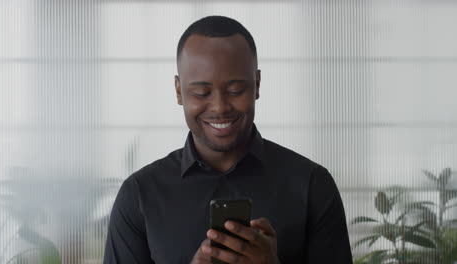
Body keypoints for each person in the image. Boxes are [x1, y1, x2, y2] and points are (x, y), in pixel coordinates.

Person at [103, 15, 353, 264]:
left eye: (235, 90)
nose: (219, 107)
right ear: (179, 91)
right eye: (202, 92)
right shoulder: (139, 195)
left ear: (257, 84)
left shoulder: (312, 186)